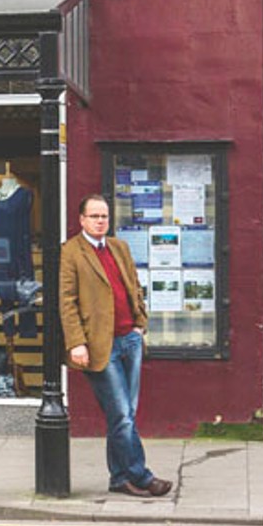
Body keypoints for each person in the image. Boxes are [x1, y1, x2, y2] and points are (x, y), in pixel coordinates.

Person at [59, 194, 171, 498]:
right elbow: (67, 302)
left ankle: (119, 478)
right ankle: (141, 475)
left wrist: (140, 323)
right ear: (81, 219)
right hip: (98, 345)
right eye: (94, 216)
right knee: (121, 413)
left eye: (104, 216)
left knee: (123, 415)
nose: (100, 221)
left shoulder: (119, 247)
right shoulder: (71, 252)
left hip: (129, 340)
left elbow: (133, 285)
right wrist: (76, 343)